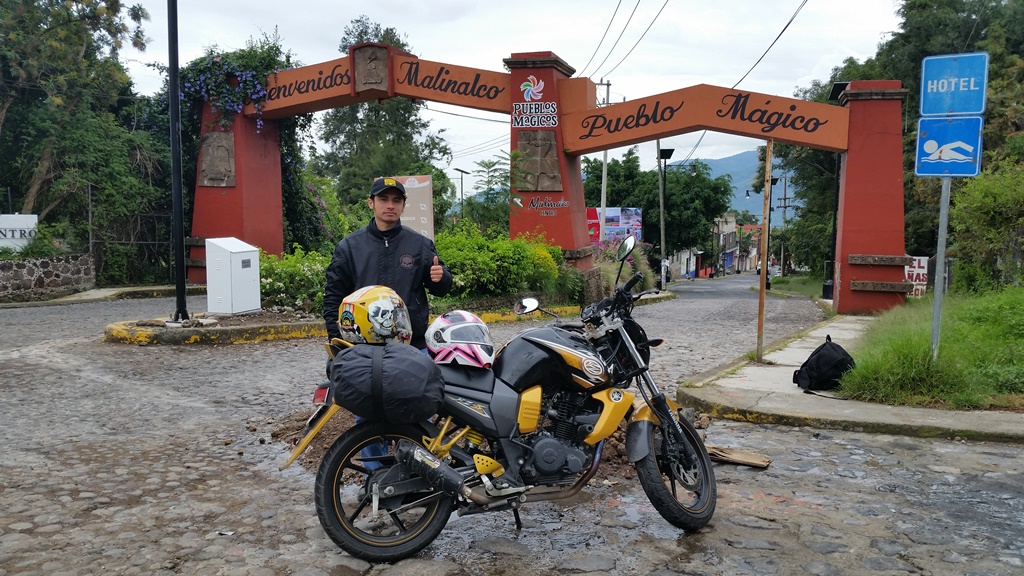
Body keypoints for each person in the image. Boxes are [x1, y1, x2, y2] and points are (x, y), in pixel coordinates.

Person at [323, 177, 453, 350]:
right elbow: (333, 296)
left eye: (396, 200)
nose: (390, 205)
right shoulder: (349, 246)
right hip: (361, 346)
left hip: (411, 346)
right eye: (383, 199)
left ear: (403, 205)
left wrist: (442, 277)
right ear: (371, 203)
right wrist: (337, 339)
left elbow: (440, 290)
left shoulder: (420, 245)